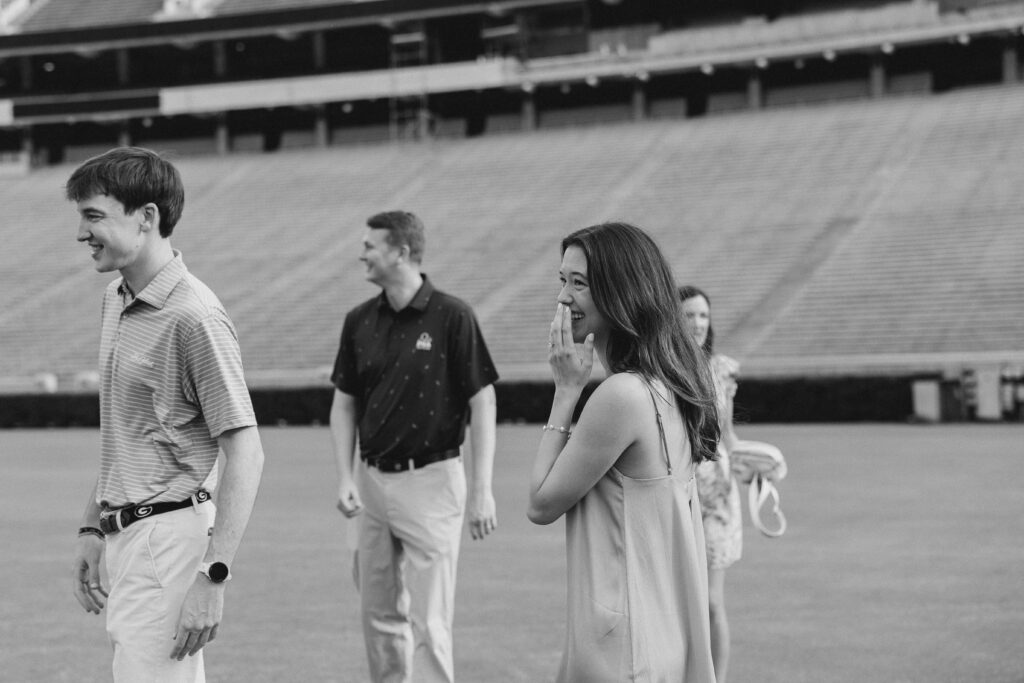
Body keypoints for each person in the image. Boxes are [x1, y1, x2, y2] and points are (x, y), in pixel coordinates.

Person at [68, 147, 265, 682]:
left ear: (147, 217)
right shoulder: (117, 297)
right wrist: (94, 524)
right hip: (127, 535)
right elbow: (130, 433)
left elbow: (246, 449)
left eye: (94, 216)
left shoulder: (194, 316)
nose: (81, 232)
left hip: (167, 542)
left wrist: (213, 574)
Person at [528, 221, 720, 683]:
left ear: (620, 293)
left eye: (580, 284)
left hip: (623, 646)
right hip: (659, 634)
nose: (563, 298)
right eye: (562, 281)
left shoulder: (622, 396)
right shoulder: (672, 386)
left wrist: (566, 391)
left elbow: (541, 502)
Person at [329, 210, 499, 683]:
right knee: (377, 613)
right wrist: (345, 477)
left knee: (430, 620)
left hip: (433, 480)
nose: (361, 253)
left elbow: (483, 400)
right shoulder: (358, 320)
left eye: (370, 245)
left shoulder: (453, 316)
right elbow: (344, 405)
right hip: (371, 483)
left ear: (401, 252)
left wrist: (482, 489)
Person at [679, 285, 741, 683]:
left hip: (717, 495)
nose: (698, 323)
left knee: (712, 602)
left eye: (703, 315)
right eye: (689, 315)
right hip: (678, 492)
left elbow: (728, 436)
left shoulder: (721, 370)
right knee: (682, 602)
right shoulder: (665, 369)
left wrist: (756, 464)